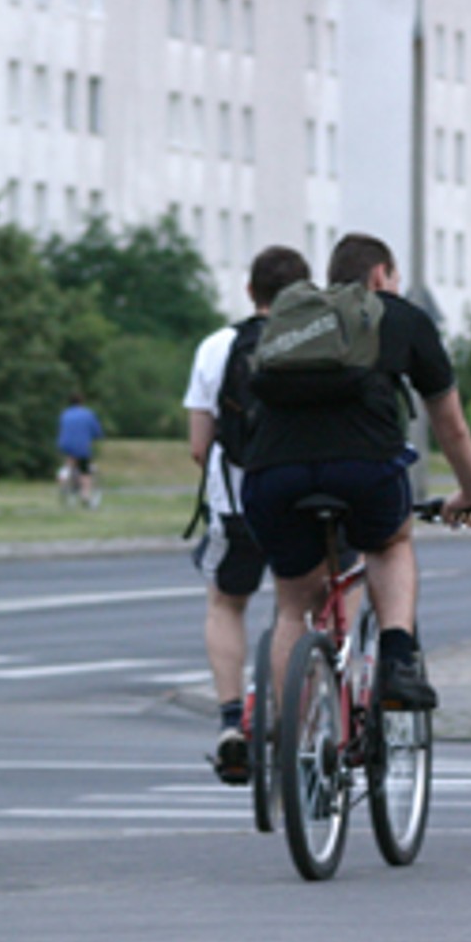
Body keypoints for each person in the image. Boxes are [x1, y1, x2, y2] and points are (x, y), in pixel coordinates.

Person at [240, 232, 471, 713]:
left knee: (294, 605)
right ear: (381, 275)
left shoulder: (296, 319)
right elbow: (451, 425)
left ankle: (292, 744)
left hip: (273, 473)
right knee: (390, 543)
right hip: (365, 469)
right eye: (393, 277)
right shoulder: (401, 316)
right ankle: (397, 661)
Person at [183, 245, 312, 782]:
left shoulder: (219, 346)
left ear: (249, 292)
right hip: (305, 496)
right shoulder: (320, 343)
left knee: (226, 602)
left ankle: (232, 720)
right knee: (300, 606)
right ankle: (297, 721)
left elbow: (198, 443)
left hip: (238, 498)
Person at [57, 393, 104, 509]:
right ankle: (85, 497)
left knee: (70, 463)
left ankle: (63, 479)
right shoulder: (88, 414)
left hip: (65, 444)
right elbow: (97, 432)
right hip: (81, 445)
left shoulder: (65, 414)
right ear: (82, 402)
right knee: (85, 471)